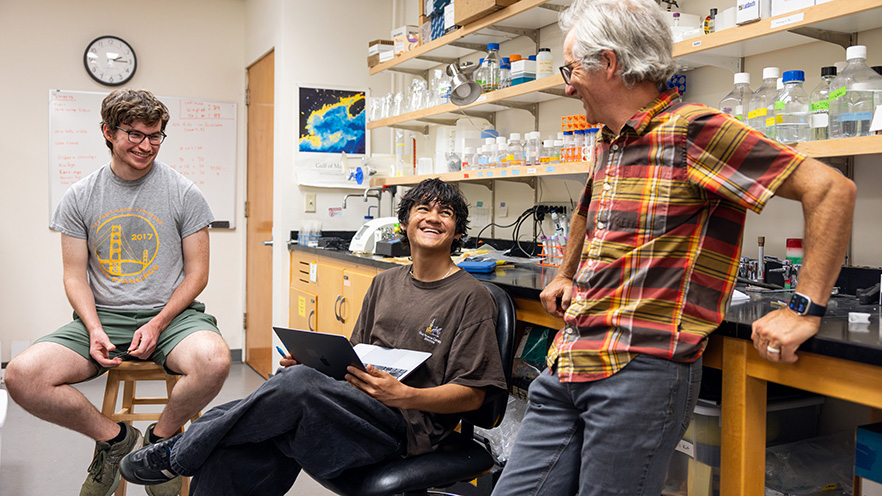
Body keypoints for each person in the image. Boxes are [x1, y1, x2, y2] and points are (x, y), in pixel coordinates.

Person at [491, 1, 856, 494]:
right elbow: (586, 207)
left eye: (571, 68)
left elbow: (831, 188)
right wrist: (563, 274)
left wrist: (805, 307)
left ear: (611, 62)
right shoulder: (611, 140)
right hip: (571, 355)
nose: (567, 83)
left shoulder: (694, 131)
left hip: (639, 370)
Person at [119, 177, 507, 495]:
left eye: (446, 213)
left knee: (296, 385)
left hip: (408, 427)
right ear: (404, 224)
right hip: (355, 407)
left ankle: (179, 453)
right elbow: (356, 359)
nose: (434, 218)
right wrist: (319, 365)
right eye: (423, 209)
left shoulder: (471, 297)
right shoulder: (384, 283)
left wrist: (406, 395)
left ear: (457, 232)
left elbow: (475, 394)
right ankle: (193, 447)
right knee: (250, 433)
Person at [5, 89, 231, 496]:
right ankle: (115, 442)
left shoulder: (184, 193)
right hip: (104, 317)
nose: (146, 145)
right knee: (21, 376)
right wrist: (92, 327)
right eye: (134, 134)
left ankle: (160, 445)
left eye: (156, 135)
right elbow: (74, 276)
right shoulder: (80, 196)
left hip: (173, 317)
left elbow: (197, 275)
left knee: (215, 360)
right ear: (108, 132)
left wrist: (160, 322)